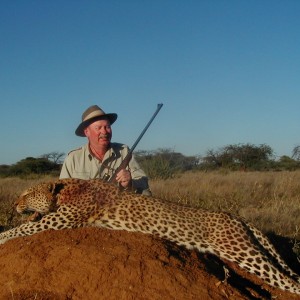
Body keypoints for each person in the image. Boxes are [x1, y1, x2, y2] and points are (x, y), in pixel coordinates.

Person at [60, 105, 152, 196]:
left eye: (107, 127)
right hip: (86, 209)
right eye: (98, 128)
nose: (104, 132)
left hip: (117, 206)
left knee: (146, 194)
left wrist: (130, 183)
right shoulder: (73, 158)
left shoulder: (124, 151)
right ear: (87, 132)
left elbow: (143, 182)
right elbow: (61, 192)